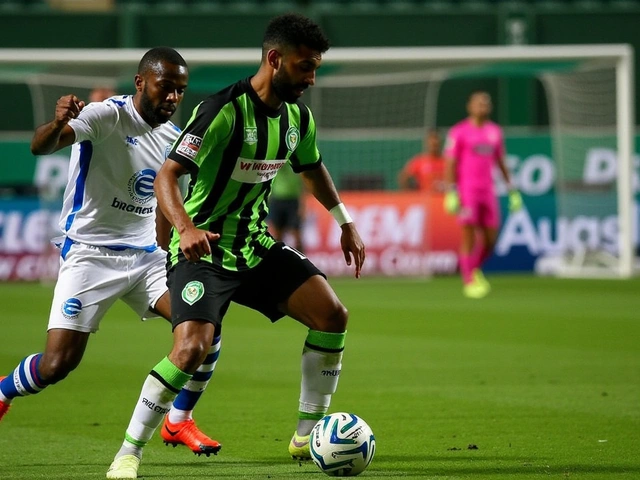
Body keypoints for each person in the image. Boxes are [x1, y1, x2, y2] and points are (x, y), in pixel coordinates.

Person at [107, 13, 366, 479]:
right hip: (202, 251)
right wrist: (184, 229)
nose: (311, 78)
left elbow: (311, 168)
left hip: (254, 246)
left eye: (315, 69)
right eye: (305, 67)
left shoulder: (297, 118)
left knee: (333, 315)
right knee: (191, 350)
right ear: (274, 59)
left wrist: (344, 221)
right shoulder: (222, 109)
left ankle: (306, 435)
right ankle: (128, 452)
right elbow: (168, 174)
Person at [0, 46, 221, 466]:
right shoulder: (106, 116)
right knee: (57, 364)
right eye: (166, 87)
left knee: (205, 324)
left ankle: (179, 418)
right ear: (141, 82)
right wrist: (60, 121)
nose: (174, 98)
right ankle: (3, 390)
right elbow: (40, 147)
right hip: (89, 254)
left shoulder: (175, 141)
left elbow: (167, 205)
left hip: (145, 259)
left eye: (181, 90)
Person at [443, 90, 523, 299]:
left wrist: (512, 189)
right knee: (468, 235)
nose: (483, 107)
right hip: (467, 191)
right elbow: (451, 163)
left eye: (486, 103)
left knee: (490, 239)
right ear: (469, 106)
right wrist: (452, 191)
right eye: (479, 103)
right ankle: (469, 280)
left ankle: (474, 269)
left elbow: (501, 162)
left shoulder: (495, 132)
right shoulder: (459, 132)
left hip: (488, 191)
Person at [268, 161, 306, 251]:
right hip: (277, 200)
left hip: (293, 200)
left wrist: (303, 205)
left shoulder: (297, 165)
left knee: (296, 234)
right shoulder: (275, 163)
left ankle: (300, 262)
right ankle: (279, 261)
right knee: (277, 235)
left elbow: (302, 185)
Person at [398, 128, 446, 193]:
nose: (434, 142)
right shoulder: (419, 161)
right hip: (425, 199)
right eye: (431, 139)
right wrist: (409, 195)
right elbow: (403, 177)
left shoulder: (447, 161)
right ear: (427, 142)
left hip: (443, 198)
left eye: (436, 138)